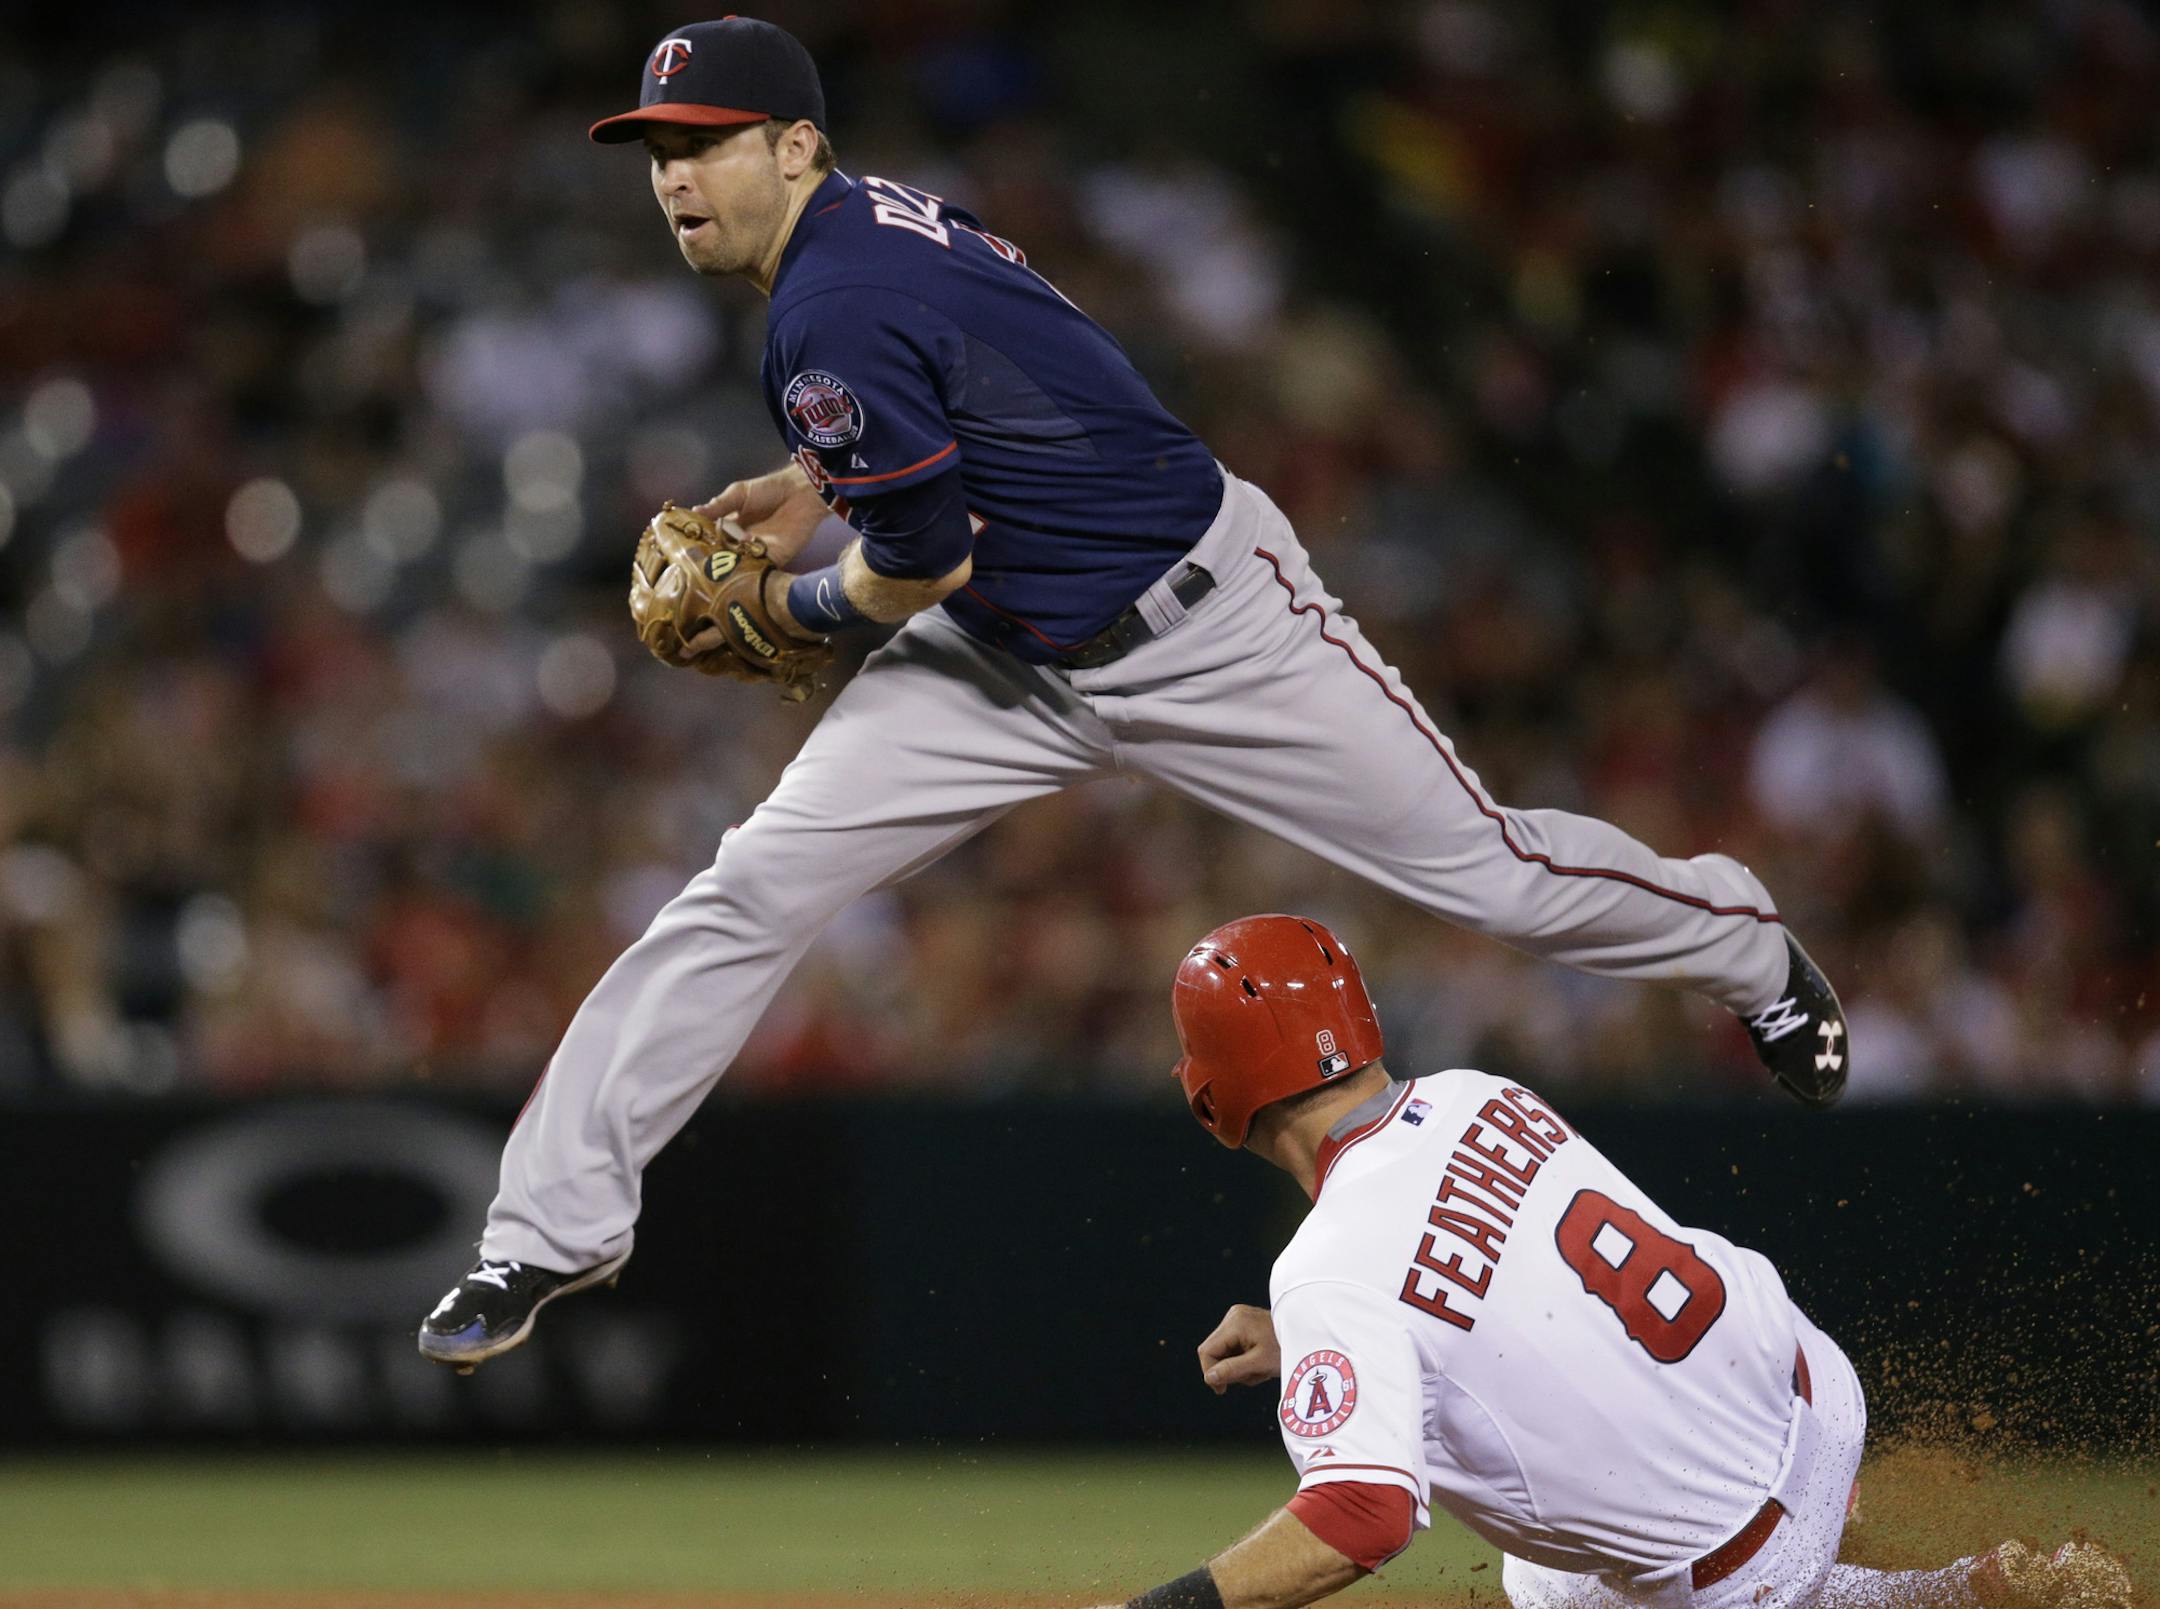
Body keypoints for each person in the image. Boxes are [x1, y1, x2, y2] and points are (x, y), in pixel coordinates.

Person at [418, 17, 1849, 1368]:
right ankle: (544, 1238)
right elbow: (985, 394)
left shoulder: (828, 304)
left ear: (797, 147)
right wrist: (812, 487)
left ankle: (1749, 950)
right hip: (1006, 652)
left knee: (1499, 877)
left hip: (1209, 628)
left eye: (708, 141)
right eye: (658, 150)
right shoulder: (870, 233)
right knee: (750, 889)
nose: (675, 176)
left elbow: (916, 559)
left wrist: (785, 604)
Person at [1085, 913, 2128, 1609]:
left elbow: (1361, 1516)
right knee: (1540, 1556)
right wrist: (1312, 1334)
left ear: (1210, 1095)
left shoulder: (1327, 1267)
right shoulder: (1476, 1092)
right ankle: (1975, 1585)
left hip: (1741, 1563)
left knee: (1544, 1578)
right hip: (1811, 1385)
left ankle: (1922, 1596)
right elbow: (1495, 1278)